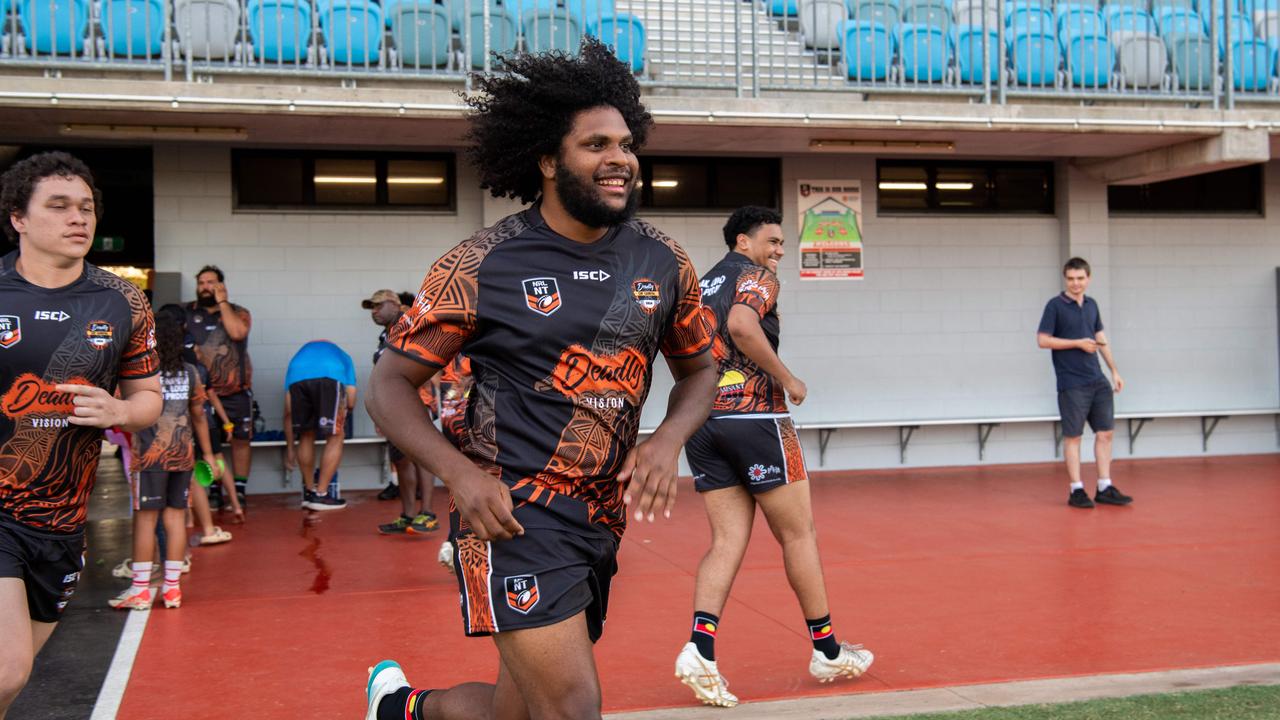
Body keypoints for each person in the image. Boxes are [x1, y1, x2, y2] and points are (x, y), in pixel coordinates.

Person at [363, 38, 717, 720]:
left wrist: (667, 439)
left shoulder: (663, 260)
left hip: (599, 518)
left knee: (515, 711)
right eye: (595, 145)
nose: (619, 158)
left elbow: (700, 372)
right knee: (571, 707)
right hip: (511, 514)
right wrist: (459, 476)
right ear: (550, 160)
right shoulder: (481, 263)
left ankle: (402, 710)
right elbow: (387, 385)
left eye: (625, 143)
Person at [674, 207, 874, 708]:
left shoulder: (701, 282)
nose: (779, 251)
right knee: (798, 533)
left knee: (726, 540)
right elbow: (742, 325)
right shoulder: (756, 276)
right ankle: (827, 649)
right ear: (743, 240)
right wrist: (788, 378)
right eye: (773, 240)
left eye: (783, 244)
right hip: (757, 420)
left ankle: (700, 649)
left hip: (704, 422)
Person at [0, 151, 162, 717]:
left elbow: (149, 400)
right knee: (6, 667)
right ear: (18, 218)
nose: (79, 219)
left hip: (64, 520)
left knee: (11, 679)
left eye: (86, 207)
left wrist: (120, 411)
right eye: (60, 206)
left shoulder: (122, 301)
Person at [109, 310, 219, 610]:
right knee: (175, 520)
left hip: (150, 458)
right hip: (183, 456)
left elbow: (122, 413)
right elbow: (199, 416)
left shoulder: (141, 375)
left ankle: (141, 591)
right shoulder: (190, 373)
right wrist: (208, 454)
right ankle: (172, 590)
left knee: (145, 522)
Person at [1037, 257, 1131, 509]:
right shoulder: (1054, 306)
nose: (1075, 283)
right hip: (1072, 383)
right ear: (1065, 279)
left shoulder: (1091, 305)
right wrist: (1077, 342)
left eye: (1080, 278)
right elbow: (1043, 340)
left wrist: (1114, 370)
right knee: (1074, 437)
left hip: (1096, 379)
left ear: (1088, 279)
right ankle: (1076, 490)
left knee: (1106, 433)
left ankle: (1104, 486)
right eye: (1071, 279)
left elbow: (1100, 337)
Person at [364, 289, 440, 534]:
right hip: (393, 407)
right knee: (401, 460)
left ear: (394, 304)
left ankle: (427, 513)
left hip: (416, 402)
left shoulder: (411, 324)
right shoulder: (384, 337)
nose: (374, 312)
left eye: (378, 306)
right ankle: (408, 515)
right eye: (371, 308)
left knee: (422, 457)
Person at [185, 264, 253, 510]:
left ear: (221, 286)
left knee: (240, 440)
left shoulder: (239, 312)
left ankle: (240, 489)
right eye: (201, 283)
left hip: (236, 391)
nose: (205, 287)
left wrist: (222, 302)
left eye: (210, 282)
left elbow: (237, 333)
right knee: (208, 443)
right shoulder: (186, 313)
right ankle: (214, 489)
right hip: (201, 393)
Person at [282, 340, 357, 511]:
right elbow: (351, 400)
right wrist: (341, 412)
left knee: (306, 434)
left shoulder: (298, 357)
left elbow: (288, 411)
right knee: (336, 434)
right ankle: (322, 494)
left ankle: (309, 493)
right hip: (330, 376)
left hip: (297, 376)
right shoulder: (343, 357)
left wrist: (290, 449)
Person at [434, 353, 473, 570]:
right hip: (464, 415)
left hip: (455, 403)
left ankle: (453, 543)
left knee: (461, 485)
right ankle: (455, 544)